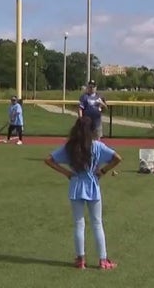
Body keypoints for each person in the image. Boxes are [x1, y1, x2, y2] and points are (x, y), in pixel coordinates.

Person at [44, 116, 122, 270]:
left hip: (76, 185)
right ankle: (103, 260)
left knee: (79, 224)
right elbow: (117, 158)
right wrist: (103, 171)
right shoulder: (98, 146)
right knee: (97, 223)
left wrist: (66, 173)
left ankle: (81, 260)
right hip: (92, 185)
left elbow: (49, 160)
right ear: (91, 130)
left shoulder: (70, 147)